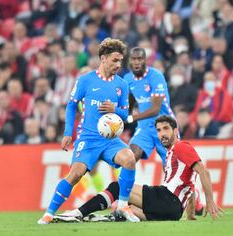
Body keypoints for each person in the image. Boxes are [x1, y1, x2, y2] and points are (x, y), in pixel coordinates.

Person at [38, 38, 139, 224]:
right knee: (75, 174)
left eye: (120, 61)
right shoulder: (85, 80)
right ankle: (49, 212)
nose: (118, 65)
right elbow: (71, 106)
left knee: (130, 159)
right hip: (89, 138)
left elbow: (125, 114)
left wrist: (114, 110)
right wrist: (68, 133)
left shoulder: (122, 85)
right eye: (115, 60)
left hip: (110, 140)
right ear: (103, 59)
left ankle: (122, 206)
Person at [55, 115, 222, 222]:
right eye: (158, 130)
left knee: (118, 187)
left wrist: (210, 200)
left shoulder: (181, 147)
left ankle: (78, 213)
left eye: (166, 129)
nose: (162, 134)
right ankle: (107, 219)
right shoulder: (172, 153)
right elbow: (189, 185)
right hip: (173, 212)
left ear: (176, 131)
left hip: (167, 198)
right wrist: (191, 214)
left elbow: (203, 171)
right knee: (128, 210)